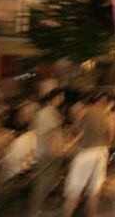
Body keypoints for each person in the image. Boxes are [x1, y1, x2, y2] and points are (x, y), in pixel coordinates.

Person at [63, 93, 115, 217]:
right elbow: (111, 136)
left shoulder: (86, 110)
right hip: (102, 153)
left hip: (87, 154)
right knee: (94, 191)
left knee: (73, 193)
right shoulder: (108, 114)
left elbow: (75, 130)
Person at [29, 88, 65, 216]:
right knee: (43, 184)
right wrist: (54, 151)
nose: (62, 100)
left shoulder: (45, 112)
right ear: (57, 97)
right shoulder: (48, 113)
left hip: (45, 152)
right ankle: (35, 212)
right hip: (46, 153)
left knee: (46, 182)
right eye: (61, 97)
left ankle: (38, 209)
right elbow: (50, 134)